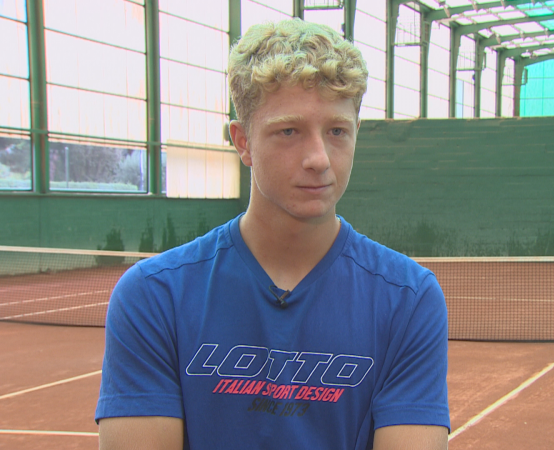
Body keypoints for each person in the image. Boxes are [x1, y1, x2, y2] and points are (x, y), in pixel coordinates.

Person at [95, 19, 450, 450]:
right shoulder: (152, 296)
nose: (319, 158)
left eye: (337, 131)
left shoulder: (409, 299)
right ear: (242, 142)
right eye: (289, 131)